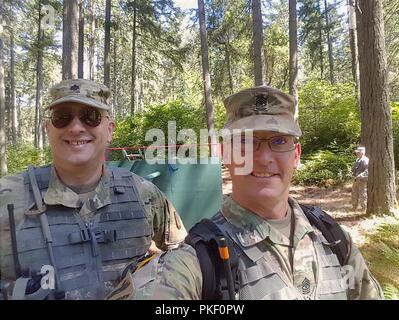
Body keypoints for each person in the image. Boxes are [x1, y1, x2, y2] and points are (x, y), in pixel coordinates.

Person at [114, 85, 383, 300]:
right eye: (246, 142)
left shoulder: (333, 239)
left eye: (279, 141)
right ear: (226, 153)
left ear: (296, 155)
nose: (264, 158)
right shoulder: (201, 262)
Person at [0, 79, 187, 300]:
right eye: (62, 117)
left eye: (91, 116)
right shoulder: (7, 198)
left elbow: (182, 252)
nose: (76, 127)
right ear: (48, 128)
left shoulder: (143, 193)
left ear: (109, 130)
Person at [351, 146, 369, 211]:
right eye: (357, 152)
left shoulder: (365, 160)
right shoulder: (358, 159)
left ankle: (364, 208)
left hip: (362, 179)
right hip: (356, 179)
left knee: (362, 194)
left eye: (358, 152)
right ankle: (354, 207)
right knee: (354, 193)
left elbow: (367, 169)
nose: (357, 153)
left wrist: (361, 175)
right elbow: (354, 169)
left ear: (362, 153)